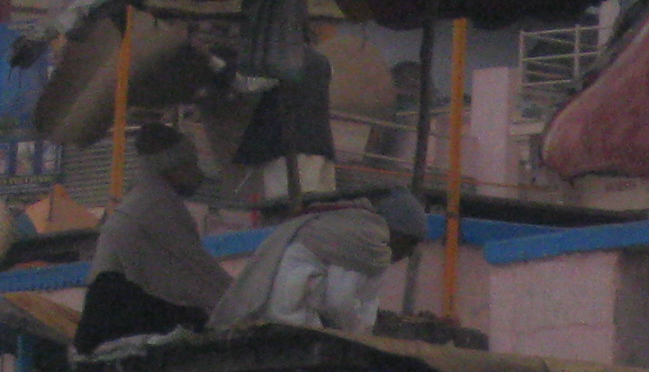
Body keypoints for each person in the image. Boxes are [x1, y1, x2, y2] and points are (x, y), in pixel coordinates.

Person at [73, 124, 230, 359]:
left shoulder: (146, 197)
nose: (197, 174)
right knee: (204, 323)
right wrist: (239, 302)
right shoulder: (156, 205)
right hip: (117, 313)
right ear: (171, 168)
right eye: (190, 165)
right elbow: (195, 270)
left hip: (107, 316)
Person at [207, 188, 426, 337]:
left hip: (286, 313)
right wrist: (360, 337)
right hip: (290, 316)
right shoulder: (366, 238)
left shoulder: (366, 240)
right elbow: (338, 302)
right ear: (399, 231)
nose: (408, 253)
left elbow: (366, 299)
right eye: (410, 243)